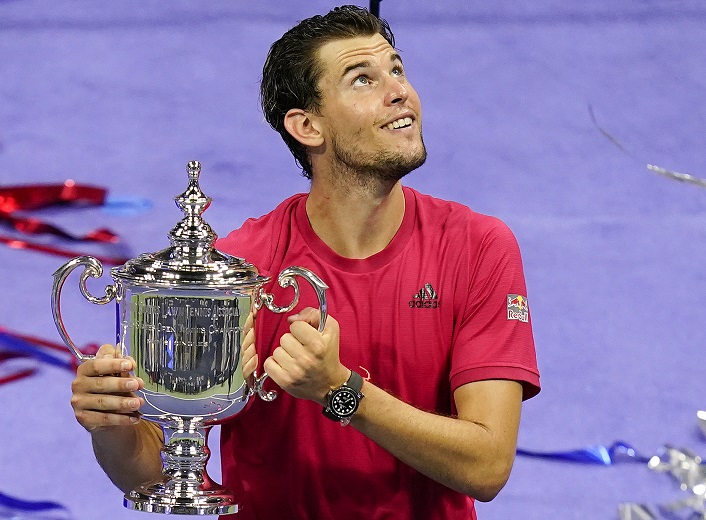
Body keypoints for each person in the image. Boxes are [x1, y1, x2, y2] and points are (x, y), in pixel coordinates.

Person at [69, 5, 540, 519]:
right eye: (363, 79)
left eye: (397, 69)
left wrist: (340, 390)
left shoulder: (478, 248)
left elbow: (487, 466)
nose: (399, 91)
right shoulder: (238, 270)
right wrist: (111, 426)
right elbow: (162, 476)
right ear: (308, 126)